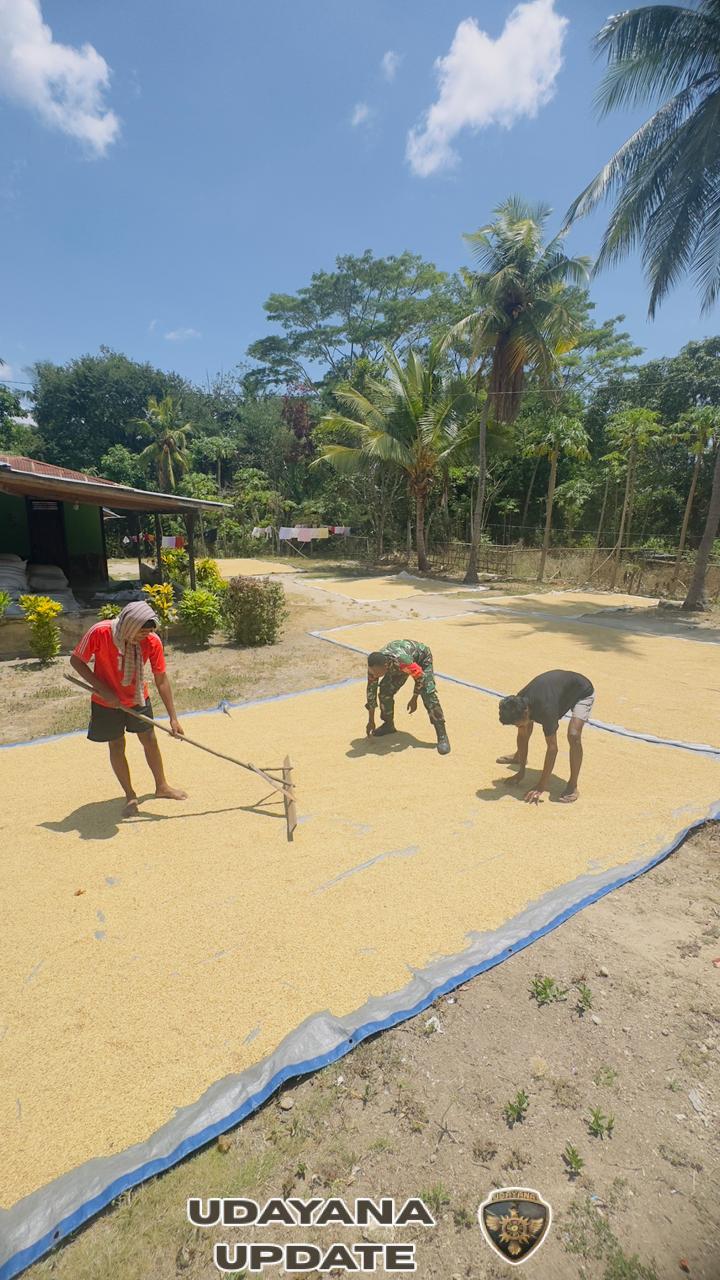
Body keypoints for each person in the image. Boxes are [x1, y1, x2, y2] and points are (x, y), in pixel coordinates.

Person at [70, 600, 187, 818]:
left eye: (148, 632)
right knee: (116, 744)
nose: (145, 637)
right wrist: (103, 690)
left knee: (150, 740)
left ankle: (162, 786)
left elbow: (161, 679)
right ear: (129, 626)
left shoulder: (152, 641)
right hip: (105, 702)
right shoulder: (100, 632)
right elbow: (76, 661)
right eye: (141, 632)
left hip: (137, 698)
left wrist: (173, 718)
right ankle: (130, 794)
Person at [497, 669, 595, 804]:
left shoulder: (546, 710)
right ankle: (519, 757)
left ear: (526, 713)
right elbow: (523, 733)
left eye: (517, 724)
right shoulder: (519, 700)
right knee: (525, 728)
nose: (517, 727)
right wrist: (521, 773)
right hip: (557, 691)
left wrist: (541, 786)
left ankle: (573, 785)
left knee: (574, 735)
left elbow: (553, 749)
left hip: (582, 691)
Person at [365, 640, 450, 755]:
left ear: (384, 667)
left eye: (376, 673)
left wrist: (414, 697)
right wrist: (371, 720)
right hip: (399, 667)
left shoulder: (402, 661)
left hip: (421, 659)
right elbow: (371, 692)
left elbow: (420, 677)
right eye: (372, 672)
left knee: (428, 694)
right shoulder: (374, 667)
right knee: (385, 692)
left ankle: (442, 735)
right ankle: (388, 725)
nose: (373, 675)